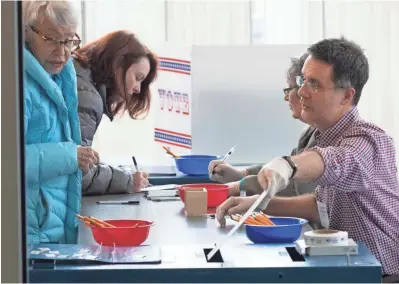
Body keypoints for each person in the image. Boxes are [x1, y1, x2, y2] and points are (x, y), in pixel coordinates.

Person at [215, 37, 399, 277]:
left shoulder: (369, 140)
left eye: (314, 84)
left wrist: (287, 166)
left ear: (346, 96)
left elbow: (333, 161)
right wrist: (259, 205)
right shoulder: (324, 134)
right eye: (303, 80)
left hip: (380, 276)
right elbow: (321, 206)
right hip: (345, 267)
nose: (300, 91)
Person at [23, 1, 98, 244]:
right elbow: (7, 163)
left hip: (48, 227)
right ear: (26, 32)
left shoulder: (61, 76)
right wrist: (70, 156)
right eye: (51, 39)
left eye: (69, 40)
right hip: (28, 236)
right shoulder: (16, 83)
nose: (62, 51)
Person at [209, 53, 317, 198]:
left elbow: (296, 187)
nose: (286, 97)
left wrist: (241, 185)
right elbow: (282, 171)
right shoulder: (310, 132)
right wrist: (241, 174)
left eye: (289, 89)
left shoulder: (339, 140)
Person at [72, 31, 159, 195]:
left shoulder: (80, 78)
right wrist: (128, 180)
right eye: (137, 77)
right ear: (118, 64)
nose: (137, 89)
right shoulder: (86, 95)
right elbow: (79, 174)